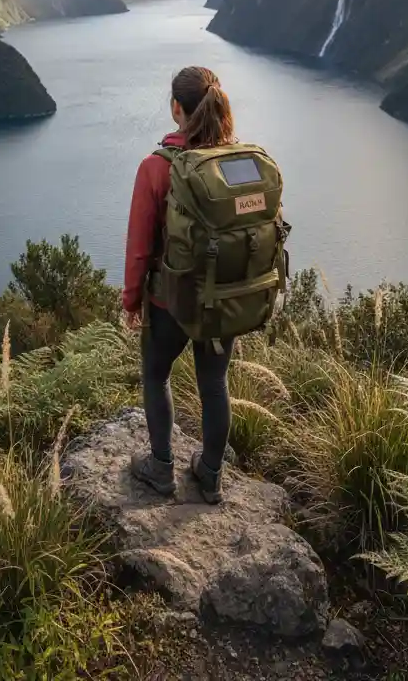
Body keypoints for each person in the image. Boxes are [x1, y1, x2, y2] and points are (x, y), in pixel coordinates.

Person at [122, 65, 236, 504]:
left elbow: (138, 247)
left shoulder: (156, 167)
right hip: (223, 298)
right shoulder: (235, 162)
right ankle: (209, 474)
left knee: (155, 373)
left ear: (176, 108)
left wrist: (132, 299)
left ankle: (161, 467)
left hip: (170, 300)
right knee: (214, 384)